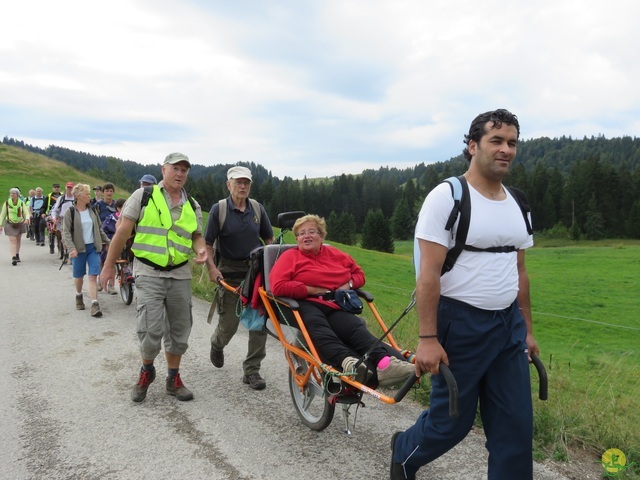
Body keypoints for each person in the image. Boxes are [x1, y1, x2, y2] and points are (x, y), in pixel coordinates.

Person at [390, 109, 539, 480]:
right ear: (473, 146)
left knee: (515, 429)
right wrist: (427, 339)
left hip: (508, 328)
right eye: (497, 140)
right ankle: (403, 453)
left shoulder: (518, 202)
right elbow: (428, 274)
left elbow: (519, 272)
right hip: (460, 325)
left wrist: (528, 330)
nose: (506, 149)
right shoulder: (448, 197)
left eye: (512, 143)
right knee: (450, 424)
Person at [100, 152, 207, 403]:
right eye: (175, 168)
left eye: (184, 170)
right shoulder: (143, 196)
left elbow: (196, 237)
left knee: (180, 329)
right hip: (148, 271)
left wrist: (201, 250)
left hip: (180, 273)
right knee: (150, 328)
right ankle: (147, 371)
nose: (180, 174)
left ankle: (173, 378)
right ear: (163, 170)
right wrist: (107, 266)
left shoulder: (192, 204)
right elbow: (122, 233)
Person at [269, 214, 415, 387]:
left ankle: (386, 365)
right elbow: (277, 286)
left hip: (333, 303)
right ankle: (348, 363)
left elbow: (359, 275)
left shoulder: (335, 254)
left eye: (311, 232)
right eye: (301, 233)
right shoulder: (290, 257)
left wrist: (349, 284)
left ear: (322, 236)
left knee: (355, 328)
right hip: (303, 303)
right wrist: (311, 290)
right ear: (297, 238)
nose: (306, 236)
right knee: (319, 328)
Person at [204, 166, 274, 390]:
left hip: (256, 273)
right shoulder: (219, 209)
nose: (243, 186)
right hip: (229, 273)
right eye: (238, 182)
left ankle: (252, 371)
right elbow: (207, 244)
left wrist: (273, 266)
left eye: (246, 182)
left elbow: (269, 239)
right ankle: (217, 343)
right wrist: (212, 268)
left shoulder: (257, 209)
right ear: (229, 184)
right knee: (229, 325)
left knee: (258, 323)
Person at [61, 184, 110, 318]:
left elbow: (99, 228)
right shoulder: (70, 212)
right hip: (78, 248)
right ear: (78, 197)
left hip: (93, 247)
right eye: (87, 194)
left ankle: (95, 304)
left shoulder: (92, 210)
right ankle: (78, 295)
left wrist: (108, 242)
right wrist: (71, 248)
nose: (90, 196)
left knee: (93, 275)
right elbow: (66, 232)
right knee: (79, 276)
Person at [0, 188, 30, 265]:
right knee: (12, 240)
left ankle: (17, 254)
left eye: (14, 193)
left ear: (17, 194)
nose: (12, 194)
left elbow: (26, 213)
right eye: (11, 193)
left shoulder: (21, 203)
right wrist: (0, 224)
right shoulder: (7, 203)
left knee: (18, 239)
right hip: (10, 223)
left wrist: (27, 219)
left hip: (19, 223)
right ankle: (13, 257)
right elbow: (3, 214)